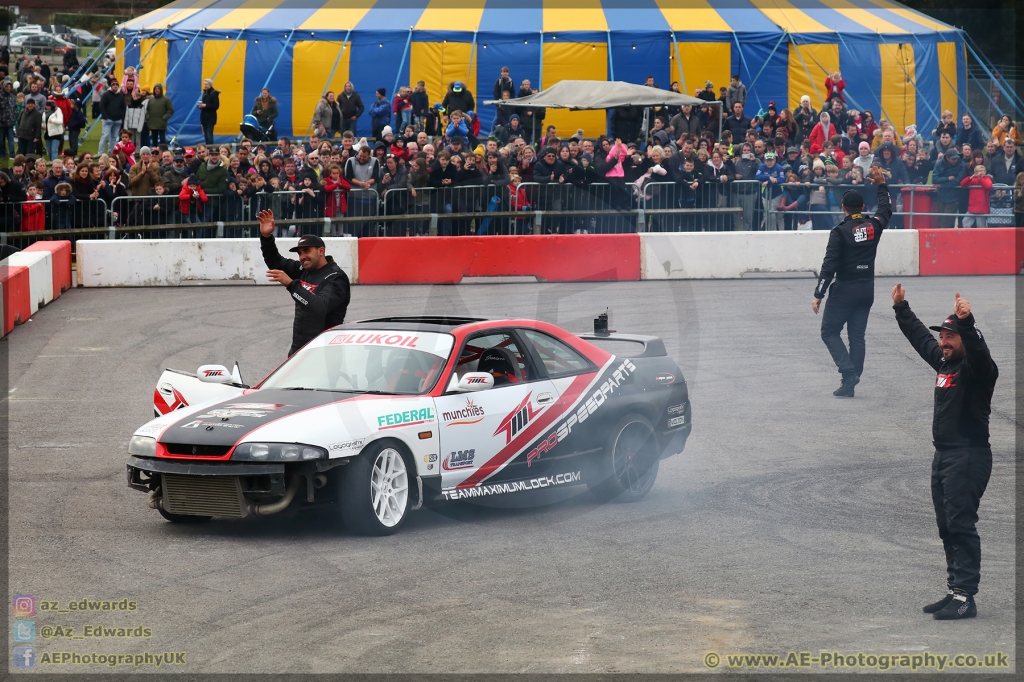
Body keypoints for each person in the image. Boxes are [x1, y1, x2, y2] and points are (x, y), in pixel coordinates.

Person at [891, 285, 997, 619]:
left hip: (968, 455)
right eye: (944, 336)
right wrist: (901, 308)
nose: (944, 342)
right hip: (944, 456)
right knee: (946, 525)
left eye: (951, 337)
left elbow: (980, 352)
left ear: (965, 338)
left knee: (961, 524)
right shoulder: (944, 364)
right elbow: (922, 339)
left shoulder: (977, 370)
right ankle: (955, 591)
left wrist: (968, 322)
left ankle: (965, 596)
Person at [811, 166, 891, 397]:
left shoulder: (840, 232)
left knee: (829, 331)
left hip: (845, 289)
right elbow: (886, 210)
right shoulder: (873, 225)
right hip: (867, 289)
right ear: (863, 208)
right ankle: (850, 382)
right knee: (856, 336)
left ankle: (848, 373)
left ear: (844, 208)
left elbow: (829, 266)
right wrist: (882, 185)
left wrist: (819, 294)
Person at [257, 212, 351, 356]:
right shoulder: (303, 269)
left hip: (326, 353)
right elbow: (275, 261)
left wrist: (291, 285)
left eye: (307, 251)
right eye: (300, 253)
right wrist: (266, 237)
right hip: (300, 348)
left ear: (321, 251)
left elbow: (320, 308)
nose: (302, 257)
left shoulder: (336, 277)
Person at [97, 80, 125, 155]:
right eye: (114, 84)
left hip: (117, 120)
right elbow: (102, 106)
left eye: (117, 84)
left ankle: (111, 152)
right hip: (108, 120)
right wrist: (106, 117)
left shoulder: (120, 96)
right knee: (105, 136)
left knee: (114, 137)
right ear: (111, 86)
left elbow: (123, 107)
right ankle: (100, 152)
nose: (115, 86)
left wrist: (121, 117)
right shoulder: (106, 95)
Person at [198, 79, 219, 145]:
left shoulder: (214, 94)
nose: (205, 86)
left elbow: (216, 106)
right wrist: (200, 106)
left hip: (211, 118)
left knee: (209, 135)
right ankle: (207, 147)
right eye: (204, 84)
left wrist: (205, 105)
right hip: (204, 117)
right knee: (205, 135)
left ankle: (211, 148)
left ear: (210, 85)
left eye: (206, 84)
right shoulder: (204, 93)